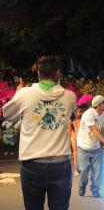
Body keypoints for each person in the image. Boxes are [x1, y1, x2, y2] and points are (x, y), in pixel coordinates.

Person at [2, 56, 77, 210]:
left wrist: (18, 93)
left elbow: (7, 114)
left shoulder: (25, 94)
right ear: (58, 74)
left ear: (38, 74)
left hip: (32, 163)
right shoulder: (70, 97)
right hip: (60, 163)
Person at [76, 95, 104, 197]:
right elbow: (95, 130)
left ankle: (95, 190)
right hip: (83, 147)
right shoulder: (89, 114)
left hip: (96, 148)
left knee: (97, 171)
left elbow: (103, 131)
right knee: (84, 170)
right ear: (99, 105)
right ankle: (82, 186)